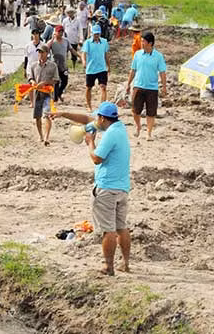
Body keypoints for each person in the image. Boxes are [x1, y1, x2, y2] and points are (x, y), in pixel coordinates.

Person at [51, 102, 131, 276]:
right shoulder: (118, 127)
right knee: (121, 227)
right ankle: (125, 263)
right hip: (122, 187)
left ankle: (108, 267)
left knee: (108, 230)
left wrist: (90, 142)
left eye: (98, 117)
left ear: (103, 118)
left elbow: (96, 158)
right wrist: (63, 114)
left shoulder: (110, 135)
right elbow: (87, 119)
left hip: (106, 188)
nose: (95, 119)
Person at [126, 32, 167, 140]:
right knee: (135, 110)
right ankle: (138, 126)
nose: (141, 43)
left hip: (152, 88)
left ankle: (149, 133)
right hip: (138, 86)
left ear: (150, 43)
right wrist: (128, 84)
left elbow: (162, 72)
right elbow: (133, 70)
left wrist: (164, 87)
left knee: (151, 112)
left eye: (143, 41)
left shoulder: (158, 56)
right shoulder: (137, 54)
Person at [28, 44, 59, 146]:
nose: (40, 54)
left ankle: (46, 137)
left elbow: (56, 80)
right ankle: (41, 135)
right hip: (37, 93)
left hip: (48, 94)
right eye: (39, 52)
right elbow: (30, 77)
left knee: (47, 115)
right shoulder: (33, 65)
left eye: (42, 52)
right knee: (37, 116)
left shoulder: (53, 66)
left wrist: (45, 83)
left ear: (47, 54)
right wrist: (32, 82)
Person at [81, 24, 110, 112]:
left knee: (103, 87)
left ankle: (102, 107)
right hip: (91, 69)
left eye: (98, 34)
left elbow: (106, 54)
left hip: (102, 68)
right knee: (89, 87)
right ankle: (89, 106)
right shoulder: (88, 43)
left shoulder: (104, 42)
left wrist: (108, 65)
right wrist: (84, 61)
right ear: (92, 34)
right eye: (95, 34)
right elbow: (84, 53)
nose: (96, 36)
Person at [47, 25, 78, 103]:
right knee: (56, 81)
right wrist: (52, 39)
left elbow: (71, 50)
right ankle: (55, 99)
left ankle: (58, 94)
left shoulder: (66, 41)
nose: (60, 33)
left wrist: (79, 56)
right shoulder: (52, 42)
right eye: (59, 32)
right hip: (54, 65)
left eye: (61, 32)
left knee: (65, 81)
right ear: (55, 32)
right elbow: (46, 48)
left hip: (63, 65)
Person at [23, 29, 43, 107]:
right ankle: (32, 102)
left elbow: (46, 57)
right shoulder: (28, 45)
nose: (35, 36)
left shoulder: (42, 45)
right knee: (30, 85)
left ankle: (39, 101)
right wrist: (24, 70)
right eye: (33, 34)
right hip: (30, 67)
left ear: (39, 35)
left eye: (36, 34)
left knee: (39, 85)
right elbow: (26, 58)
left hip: (40, 67)